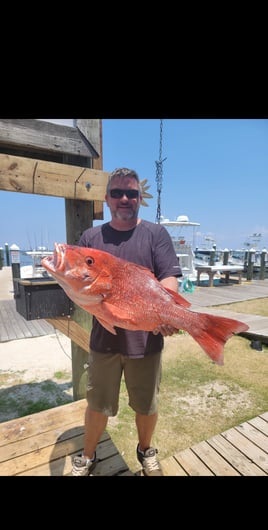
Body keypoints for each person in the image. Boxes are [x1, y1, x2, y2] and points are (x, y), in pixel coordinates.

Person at [72, 167, 182, 476]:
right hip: (104, 341)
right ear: (106, 198)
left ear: (139, 198)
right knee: (97, 403)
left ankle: (146, 450)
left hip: (146, 340)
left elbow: (169, 276)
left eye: (131, 193)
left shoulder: (156, 234)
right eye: (118, 193)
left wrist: (168, 309)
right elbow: (80, 283)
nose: (125, 198)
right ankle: (88, 455)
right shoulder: (91, 238)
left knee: (147, 405)